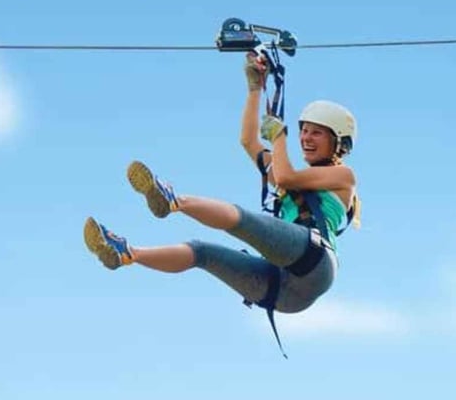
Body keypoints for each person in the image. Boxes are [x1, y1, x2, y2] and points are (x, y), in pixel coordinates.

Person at [82, 52, 359, 321]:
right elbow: (249, 142)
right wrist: (254, 89)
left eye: (317, 132)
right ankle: (128, 253)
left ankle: (173, 201)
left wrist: (279, 137)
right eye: (304, 130)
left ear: (338, 143)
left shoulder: (343, 177)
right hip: (285, 292)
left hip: (315, 261)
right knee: (201, 252)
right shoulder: (288, 176)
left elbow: (286, 177)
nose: (307, 138)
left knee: (242, 220)